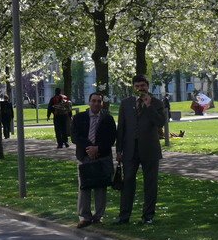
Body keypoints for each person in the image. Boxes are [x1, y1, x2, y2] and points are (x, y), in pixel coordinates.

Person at [115, 74, 166, 225]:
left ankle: (148, 216)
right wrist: (118, 150)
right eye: (137, 86)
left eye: (142, 86)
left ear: (147, 87)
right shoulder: (126, 103)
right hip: (130, 150)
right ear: (133, 87)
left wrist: (149, 106)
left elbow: (160, 122)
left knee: (150, 184)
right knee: (128, 182)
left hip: (150, 149)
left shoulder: (156, 103)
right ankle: (124, 216)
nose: (140, 89)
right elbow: (122, 128)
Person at [71, 92, 117, 227]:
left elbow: (111, 138)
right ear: (89, 102)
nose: (96, 103)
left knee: (101, 187)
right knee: (84, 186)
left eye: (99, 101)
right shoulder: (79, 118)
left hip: (102, 157)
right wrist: (89, 148)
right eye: (94, 101)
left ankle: (98, 216)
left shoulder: (107, 119)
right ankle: (84, 216)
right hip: (84, 156)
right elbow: (75, 136)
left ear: (102, 103)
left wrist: (98, 149)